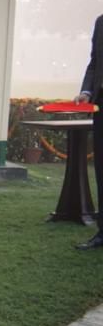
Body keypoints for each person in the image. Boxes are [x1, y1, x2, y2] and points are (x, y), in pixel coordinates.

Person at [74, 14, 103, 249]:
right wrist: (86, 91)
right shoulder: (100, 22)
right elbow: (94, 63)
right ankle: (102, 233)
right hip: (100, 106)